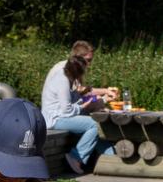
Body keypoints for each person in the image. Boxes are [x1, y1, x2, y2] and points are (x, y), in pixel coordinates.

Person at [41, 41, 116, 174]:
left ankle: (112, 158)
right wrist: (86, 105)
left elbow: (82, 91)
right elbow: (67, 110)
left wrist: (104, 94)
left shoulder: (71, 69)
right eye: (88, 60)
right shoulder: (62, 75)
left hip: (64, 114)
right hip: (55, 118)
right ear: (78, 58)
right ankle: (76, 157)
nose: (90, 64)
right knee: (94, 124)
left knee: (97, 119)